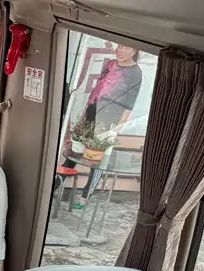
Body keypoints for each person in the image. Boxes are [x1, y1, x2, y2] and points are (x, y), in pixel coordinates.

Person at [61, 44, 143, 208]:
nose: (121, 50)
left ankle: (85, 197)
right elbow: (96, 91)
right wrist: (83, 116)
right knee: (76, 151)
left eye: (126, 48)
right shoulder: (110, 64)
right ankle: (57, 184)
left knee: (98, 160)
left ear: (134, 51)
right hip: (93, 110)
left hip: (110, 117)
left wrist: (117, 129)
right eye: (120, 46)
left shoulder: (135, 72)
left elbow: (129, 104)